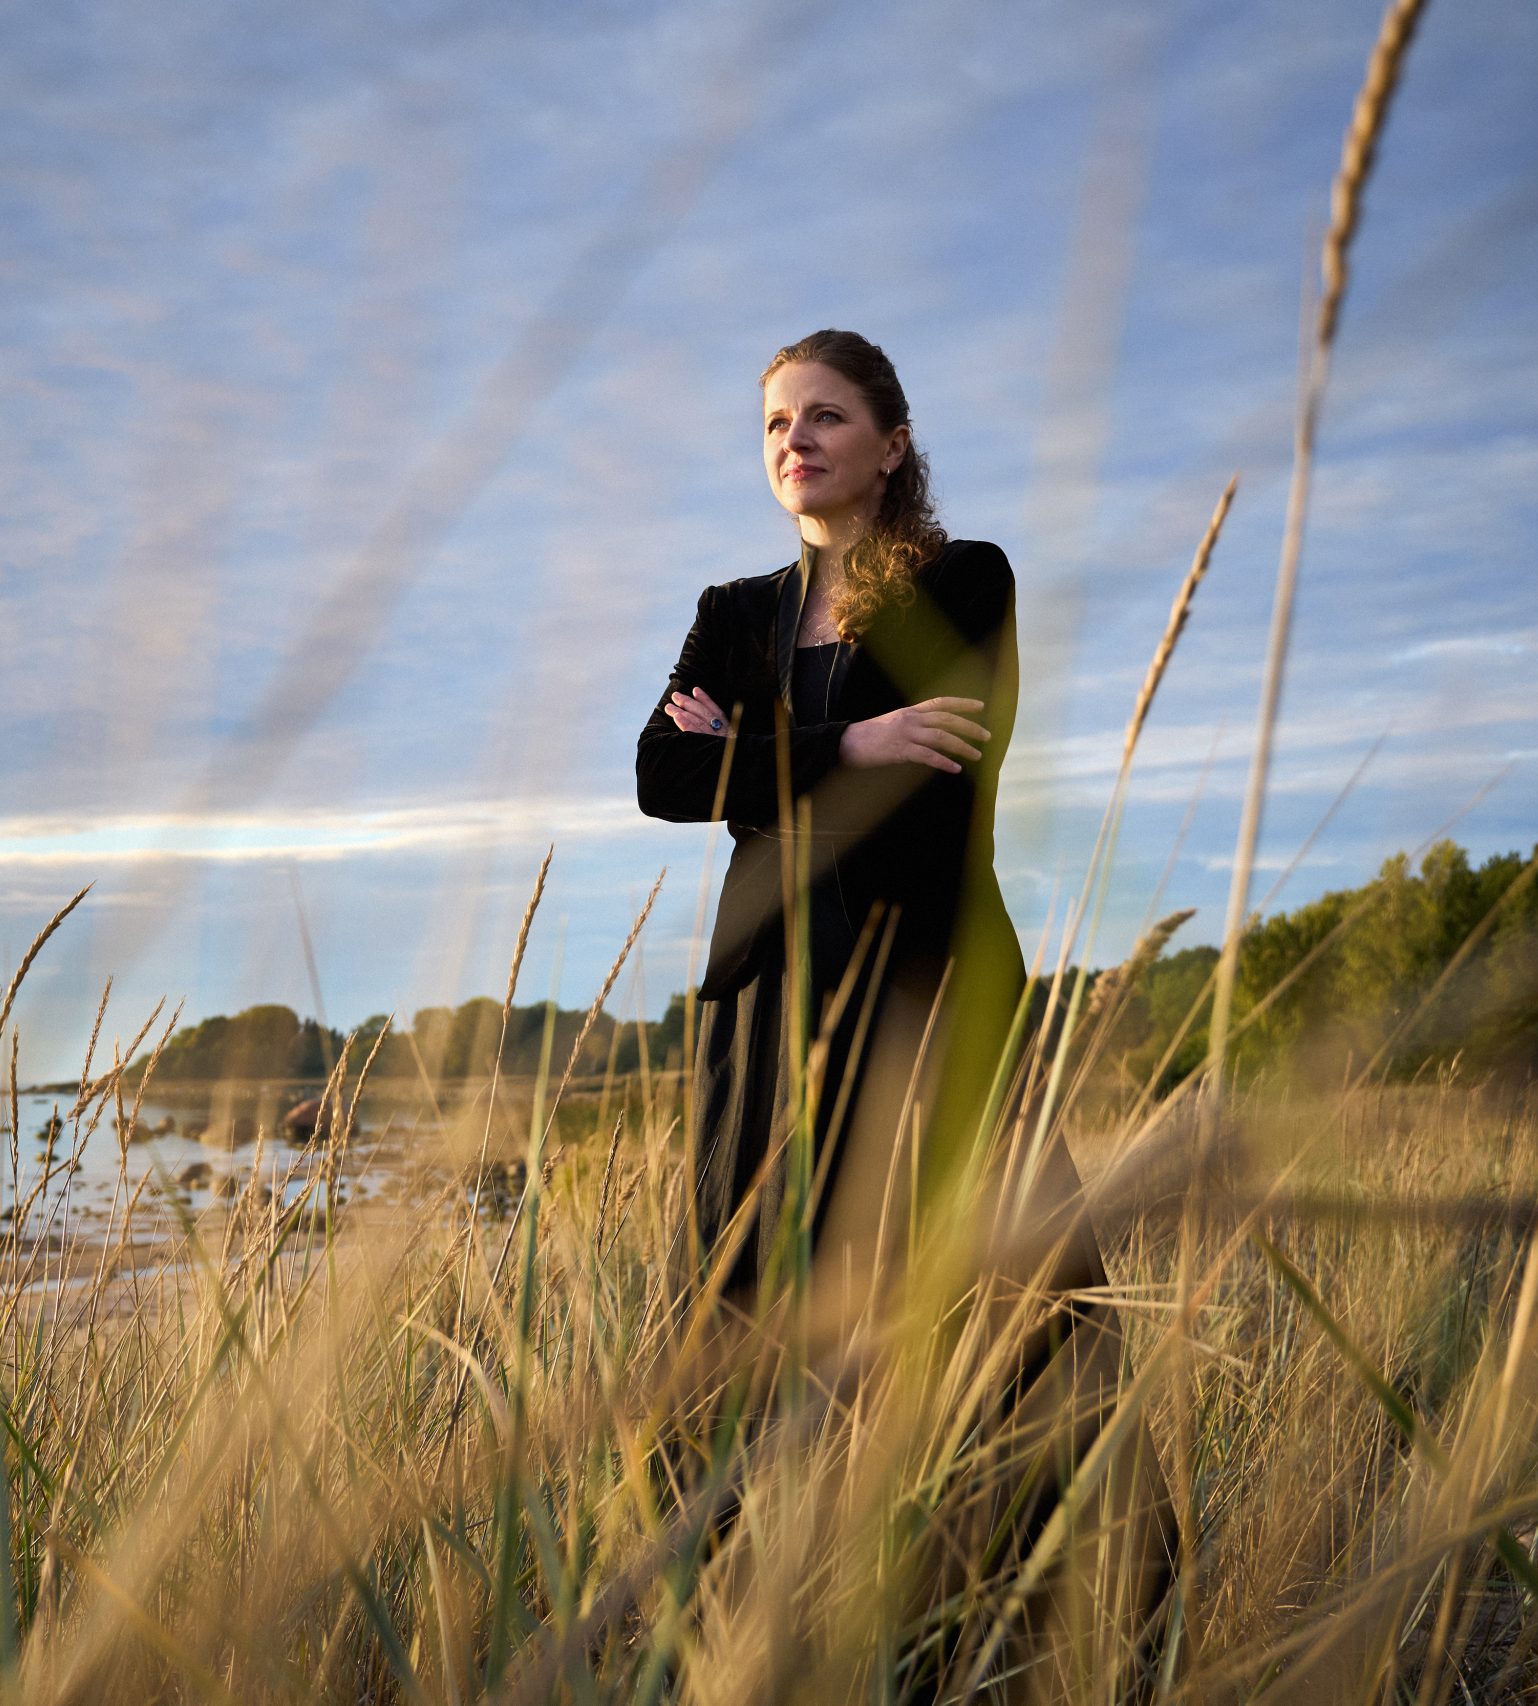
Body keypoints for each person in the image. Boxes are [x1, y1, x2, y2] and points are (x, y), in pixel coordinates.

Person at [635, 329, 1171, 1699]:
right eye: (774, 423)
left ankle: (1070, 1621)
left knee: (1012, 1295)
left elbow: (939, 777)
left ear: (890, 442)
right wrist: (854, 742)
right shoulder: (732, 612)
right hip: (766, 1002)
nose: (794, 442)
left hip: (929, 989)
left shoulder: (963, 580)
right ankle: (756, 1626)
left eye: (824, 417)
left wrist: (754, 764)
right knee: (748, 1305)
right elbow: (658, 776)